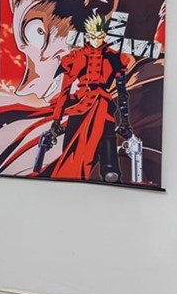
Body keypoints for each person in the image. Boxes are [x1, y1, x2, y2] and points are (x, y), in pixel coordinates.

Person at [38, 13, 134, 182]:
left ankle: (109, 167)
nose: (96, 40)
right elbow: (65, 91)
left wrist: (125, 122)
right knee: (71, 148)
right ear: (88, 35)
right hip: (81, 106)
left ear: (104, 35)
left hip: (103, 105)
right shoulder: (76, 57)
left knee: (107, 136)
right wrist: (56, 120)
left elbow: (122, 92)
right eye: (93, 36)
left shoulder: (114, 57)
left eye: (100, 36)